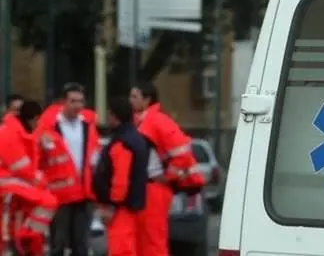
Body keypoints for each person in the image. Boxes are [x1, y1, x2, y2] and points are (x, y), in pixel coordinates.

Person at [129, 82, 205, 256]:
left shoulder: (157, 121)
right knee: (143, 240)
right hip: (146, 188)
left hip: (155, 189)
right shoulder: (142, 121)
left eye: (134, 96)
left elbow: (182, 152)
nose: (130, 100)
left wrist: (168, 176)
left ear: (147, 100)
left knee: (153, 240)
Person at [37, 83, 100, 256]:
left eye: (81, 101)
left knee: (81, 245)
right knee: (58, 243)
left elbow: (94, 156)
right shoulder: (48, 127)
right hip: (60, 194)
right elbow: (39, 160)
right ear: (63, 102)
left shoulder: (88, 125)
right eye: (73, 101)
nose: (77, 106)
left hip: (84, 192)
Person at [0, 100, 58, 255]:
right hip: (10, 186)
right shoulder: (10, 133)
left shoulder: (20, 133)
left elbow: (28, 167)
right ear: (33, 118)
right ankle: (27, 234)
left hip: (16, 186)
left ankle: (27, 235)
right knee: (48, 201)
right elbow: (21, 166)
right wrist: (40, 181)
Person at [92, 97, 149, 256]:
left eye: (109, 114)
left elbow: (120, 180)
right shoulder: (135, 138)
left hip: (121, 210)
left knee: (121, 250)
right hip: (131, 206)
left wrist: (111, 207)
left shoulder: (122, 142)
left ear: (114, 115)